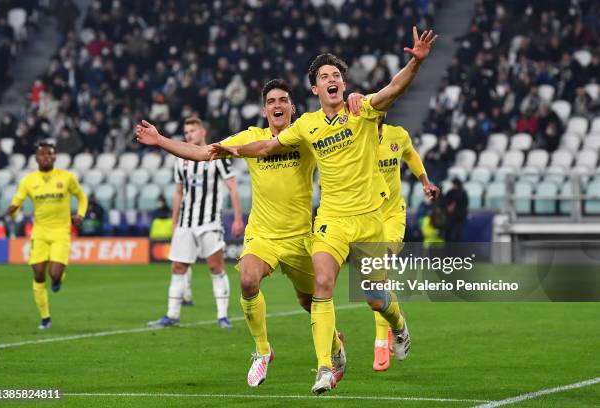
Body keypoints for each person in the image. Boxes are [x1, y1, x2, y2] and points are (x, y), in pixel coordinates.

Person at [210, 27, 438, 394]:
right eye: (323, 77)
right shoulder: (307, 126)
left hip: (369, 219)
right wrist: (234, 150)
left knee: (375, 297)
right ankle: (325, 368)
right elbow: (268, 145)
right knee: (323, 284)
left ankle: (397, 323)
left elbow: (394, 89)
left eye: (336, 75)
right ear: (315, 90)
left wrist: (416, 62)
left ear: (343, 84)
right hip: (331, 220)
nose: (331, 80)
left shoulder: (362, 110)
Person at [136, 79, 361, 388]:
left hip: (299, 238)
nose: (278, 105)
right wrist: (160, 140)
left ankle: (335, 345)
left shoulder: (306, 133)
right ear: (264, 109)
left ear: (292, 108)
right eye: (271, 101)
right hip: (262, 236)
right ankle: (262, 350)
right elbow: (203, 153)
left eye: (283, 100)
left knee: (310, 303)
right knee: (247, 278)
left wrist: (355, 100)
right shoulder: (250, 137)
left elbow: (339, 124)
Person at [146, 117, 245, 330]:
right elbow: (178, 192)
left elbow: (233, 188)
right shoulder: (180, 160)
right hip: (185, 222)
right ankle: (172, 315)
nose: (188, 134)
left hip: (209, 221)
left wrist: (238, 219)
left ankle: (222, 316)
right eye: (186, 131)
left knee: (216, 266)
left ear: (203, 133)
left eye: (192, 130)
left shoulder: (217, 156)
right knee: (178, 266)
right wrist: (174, 222)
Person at [372, 115, 439, 371]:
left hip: (392, 216)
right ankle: (395, 322)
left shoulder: (397, 135)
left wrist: (425, 182)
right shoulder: (355, 137)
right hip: (366, 217)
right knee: (373, 281)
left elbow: (410, 154)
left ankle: (380, 343)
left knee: (378, 274)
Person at [7, 141, 87, 329]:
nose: (45, 157)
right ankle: (45, 317)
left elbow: (82, 196)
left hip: (61, 231)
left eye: (49, 153)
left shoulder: (66, 177)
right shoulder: (28, 181)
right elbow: (16, 203)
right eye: (42, 154)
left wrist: (81, 215)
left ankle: (58, 280)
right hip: (40, 232)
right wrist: (13, 211)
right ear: (36, 158)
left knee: (55, 273)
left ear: (55, 157)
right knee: (39, 273)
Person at [444, 178, 469, 242]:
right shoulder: (450, 192)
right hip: (451, 218)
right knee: (448, 235)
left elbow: (464, 206)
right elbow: (445, 203)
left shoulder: (462, 193)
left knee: (458, 235)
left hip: (459, 219)